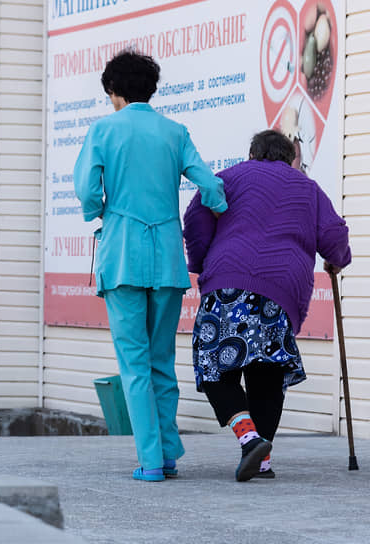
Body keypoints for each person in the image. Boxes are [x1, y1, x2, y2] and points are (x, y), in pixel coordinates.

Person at [74, 50, 228, 482]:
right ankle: (168, 452)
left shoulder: (103, 130)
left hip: (122, 254)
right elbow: (209, 183)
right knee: (162, 359)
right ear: (151, 89)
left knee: (134, 364)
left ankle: (151, 461)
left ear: (113, 91)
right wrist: (218, 205)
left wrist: (99, 210)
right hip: (166, 258)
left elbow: (86, 191)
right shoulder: (175, 132)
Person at [182, 129, 351, 481]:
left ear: (252, 153)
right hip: (281, 286)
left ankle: (250, 440)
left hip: (228, 280)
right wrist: (337, 259)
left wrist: (200, 260)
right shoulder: (308, 188)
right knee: (267, 371)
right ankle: (261, 461)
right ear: (291, 159)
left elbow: (196, 219)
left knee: (215, 366)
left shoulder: (228, 179)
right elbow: (334, 234)